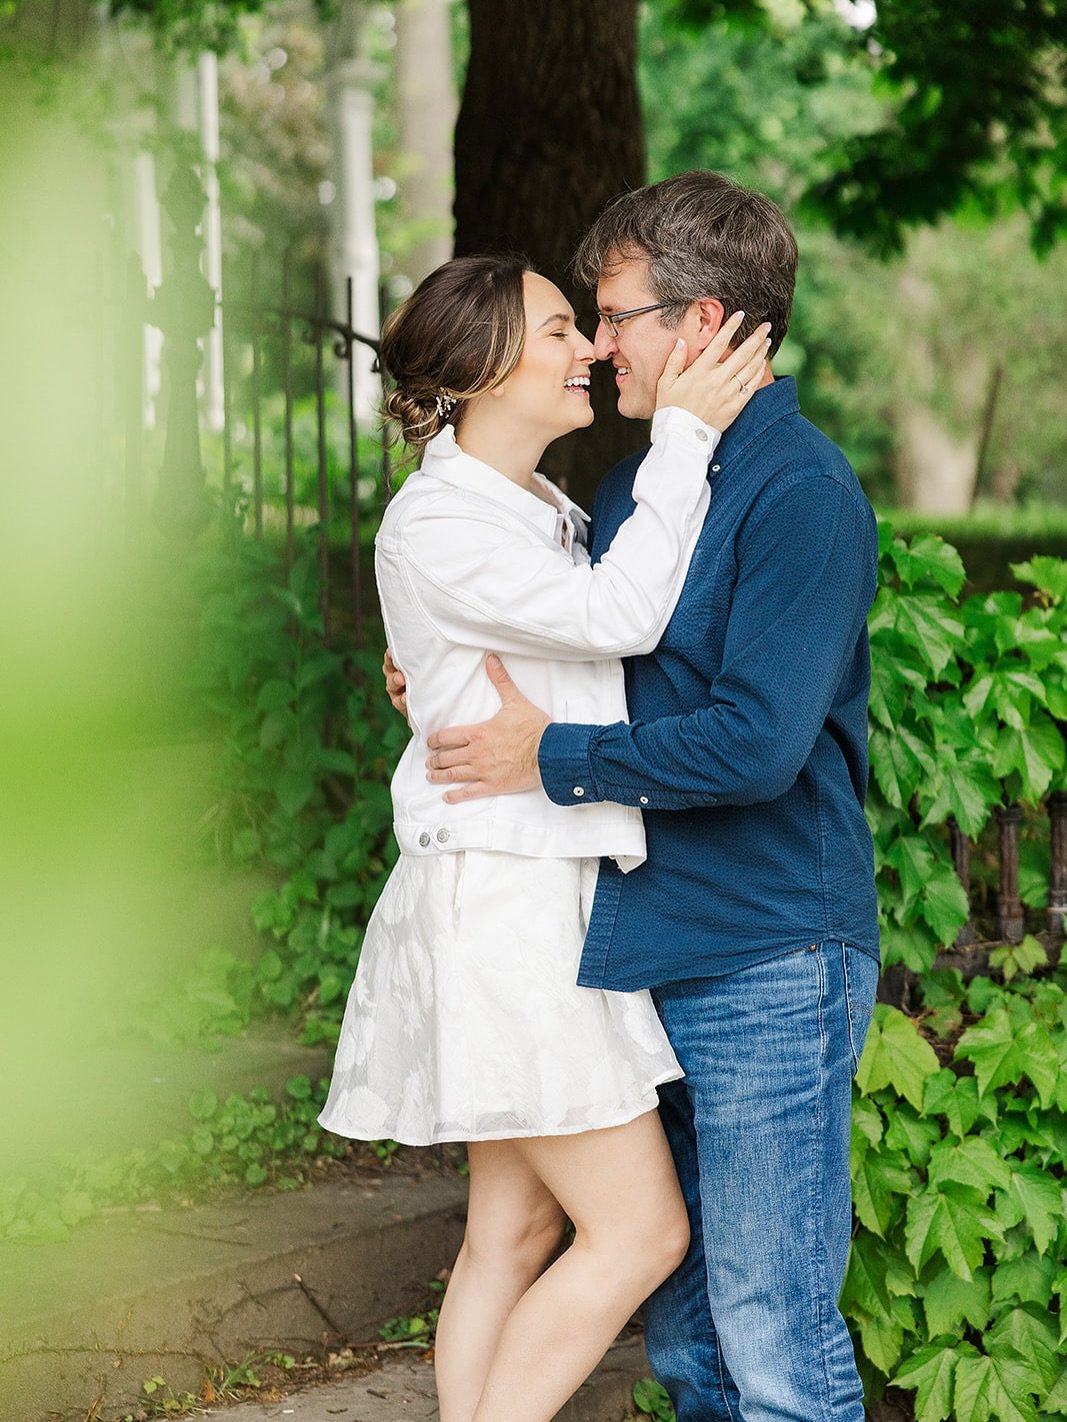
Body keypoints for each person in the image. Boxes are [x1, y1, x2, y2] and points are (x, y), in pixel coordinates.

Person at [401, 173, 882, 1421]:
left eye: (613, 313)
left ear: (704, 323)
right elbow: (563, 634)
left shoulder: (802, 496)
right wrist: (427, 668)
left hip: (767, 952)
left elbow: (753, 747)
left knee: (773, 1334)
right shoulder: (628, 490)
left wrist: (545, 755)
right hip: (638, 948)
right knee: (689, 1345)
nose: (601, 342)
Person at [318, 251, 771, 1422]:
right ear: (478, 367)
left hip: (536, 884)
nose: (590, 350)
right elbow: (620, 617)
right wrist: (678, 439)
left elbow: (533, 655)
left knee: (512, 1231)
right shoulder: (439, 522)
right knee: (640, 1231)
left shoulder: (526, 506)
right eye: (562, 330)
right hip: (509, 903)